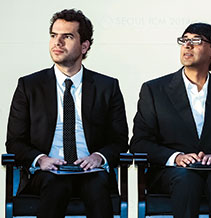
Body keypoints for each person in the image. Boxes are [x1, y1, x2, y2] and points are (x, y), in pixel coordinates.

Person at [5, 9, 128, 218]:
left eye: (67, 36)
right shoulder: (29, 86)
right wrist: (41, 159)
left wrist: (98, 158)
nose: (57, 42)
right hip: (46, 173)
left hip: (91, 171)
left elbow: (119, 140)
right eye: (54, 35)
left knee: (97, 186)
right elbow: (15, 142)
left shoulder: (107, 87)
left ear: (84, 46)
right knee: (55, 183)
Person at [130, 22, 211, 218]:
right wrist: (177, 158)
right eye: (184, 40)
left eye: (196, 41)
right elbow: (140, 143)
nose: (187, 46)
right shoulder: (154, 90)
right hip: (172, 174)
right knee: (186, 178)